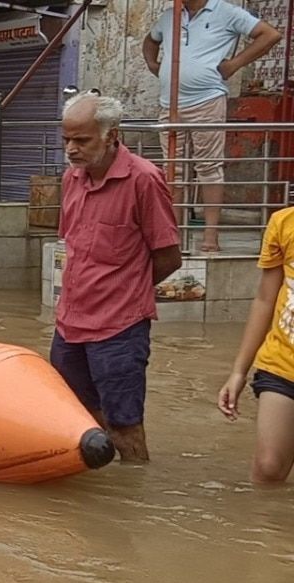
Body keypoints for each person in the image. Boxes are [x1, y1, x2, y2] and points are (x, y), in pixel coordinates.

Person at [50, 93, 182, 464]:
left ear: (111, 135)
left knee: (125, 426)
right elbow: (74, 247)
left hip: (119, 330)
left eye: (81, 140)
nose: (71, 149)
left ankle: (132, 497)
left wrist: (127, 289)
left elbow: (169, 257)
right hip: (69, 325)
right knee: (76, 418)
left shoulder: (144, 179)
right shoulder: (72, 179)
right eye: (67, 140)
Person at [143, 0, 280, 253]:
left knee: (208, 167)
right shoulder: (170, 15)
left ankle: (210, 237)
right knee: (174, 170)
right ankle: (173, 237)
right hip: (169, 102)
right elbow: (150, 40)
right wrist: (154, 65)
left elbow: (270, 34)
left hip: (206, 99)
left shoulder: (226, 12)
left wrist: (234, 64)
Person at [218, 207, 294, 482]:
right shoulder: (284, 223)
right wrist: (239, 372)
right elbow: (265, 299)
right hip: (283, 364)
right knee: (268, 467)